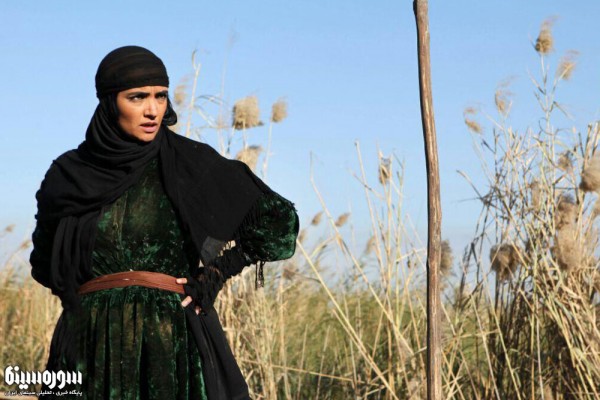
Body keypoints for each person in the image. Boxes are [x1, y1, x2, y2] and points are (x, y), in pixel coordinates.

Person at [29, 45, 300, 400]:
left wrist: (217, 273)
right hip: (87, 346)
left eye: (160, 95)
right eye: (137, 97)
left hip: (168, 343)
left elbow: (280, 223)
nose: (153, 109)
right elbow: (45, 266)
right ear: (109, 102)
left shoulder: (189, 163)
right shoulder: (67, 176)